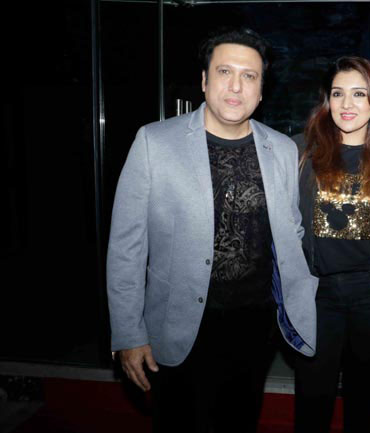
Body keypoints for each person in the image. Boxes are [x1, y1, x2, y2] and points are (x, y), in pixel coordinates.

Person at [106, 27, 317, 433]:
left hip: (254, 327)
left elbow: (291, 233)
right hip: (178, 323)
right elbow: (126, 248)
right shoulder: (154, 142)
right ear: (204, 80)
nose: (236, 86)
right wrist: (128, 333)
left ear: (261, 90)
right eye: (224, 72)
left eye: (249, 76)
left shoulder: (282, 149)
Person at [292, 56, 370, 433]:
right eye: (337, 93)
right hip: (316, 293)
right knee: (312, 400)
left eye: (359, 94)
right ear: (326, 100)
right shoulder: (301, 152)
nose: (347, 104)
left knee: (363, 400)